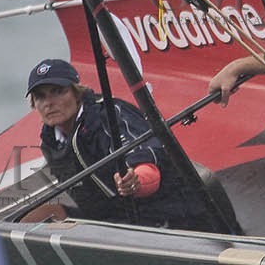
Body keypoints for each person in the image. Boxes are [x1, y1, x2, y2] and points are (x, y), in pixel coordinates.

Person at [27, 58, 197, 228]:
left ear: (76, 93)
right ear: (34, 104)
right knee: (36, 216)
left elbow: (146, 160)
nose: (49, 103)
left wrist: (135, 181)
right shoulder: (51, 142)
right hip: (111, 222)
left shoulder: (110, 115)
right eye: (40, 96)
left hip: (166, 215)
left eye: (58, 92)